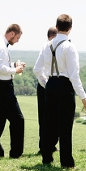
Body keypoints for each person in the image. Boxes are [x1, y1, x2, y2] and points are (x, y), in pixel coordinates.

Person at [34, 14, 86, 169]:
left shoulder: (47, 45)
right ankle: (66, 162)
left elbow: (36, 69)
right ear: (70, 28)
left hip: (51, 84)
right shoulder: (69, 47)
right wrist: (84, 97)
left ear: (57, 26)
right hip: (65, 85)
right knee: (65, 125)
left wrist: (46, 84)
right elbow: (74, 76)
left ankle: (46, 158)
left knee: (49, 123)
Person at [0, 24, 25, 158]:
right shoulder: (0, 46)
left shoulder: (1, 45)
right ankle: (16, 153)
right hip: (3, 87)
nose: (17, 41)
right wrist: (15, 70)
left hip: (1, 86)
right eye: (17, 38)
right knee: (18, 119)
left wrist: (14, 65)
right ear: (12, 34)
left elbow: (2, 66)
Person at [32, 26, 58, 154]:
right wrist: (46, 84)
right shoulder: (45, 47)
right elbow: (38, 69)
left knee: (52, 117)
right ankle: (44, 146)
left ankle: (52, 145)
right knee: (44, 117)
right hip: (45, 87)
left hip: (50, 86)